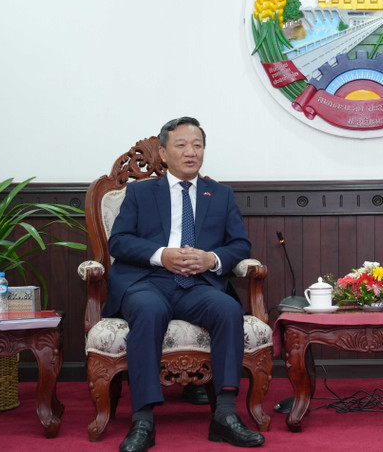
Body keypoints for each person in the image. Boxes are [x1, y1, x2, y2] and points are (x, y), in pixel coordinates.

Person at [104, 117, 264, 451]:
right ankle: (143, 420)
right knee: (148, 311)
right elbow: (118, 242)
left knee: (228, 309)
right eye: (181, 145)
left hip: (198, 284)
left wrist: (212, 260)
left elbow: (239, 245)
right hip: (149, 280)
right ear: (162, 153)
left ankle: (224, 415)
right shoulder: (139, 192)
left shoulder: (219, 194)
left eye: (197, 145)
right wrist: (161, 255)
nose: (191, 152)